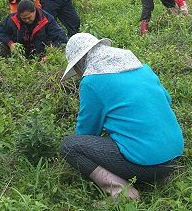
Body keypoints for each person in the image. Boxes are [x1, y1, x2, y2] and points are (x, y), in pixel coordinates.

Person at [59, 33, 184, 200]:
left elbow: (87, 132)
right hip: (175, 153)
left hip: (149, 165)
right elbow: (166, 99)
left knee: (70, 146)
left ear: (80, 62)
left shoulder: (91, 82)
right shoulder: (141, 67)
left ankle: (122, 193)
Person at [0, 0, 67, 61]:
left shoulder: (46, 19)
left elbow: (61, 38)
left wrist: (49, 55)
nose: (27, 20)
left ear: (34, 11)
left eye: (29, 17)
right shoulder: (12, 18)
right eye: (24, 18)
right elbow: (0, 32)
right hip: (19, 53)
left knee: (63, 47)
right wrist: (10, 44)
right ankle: (9, 63)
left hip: (41, 53)